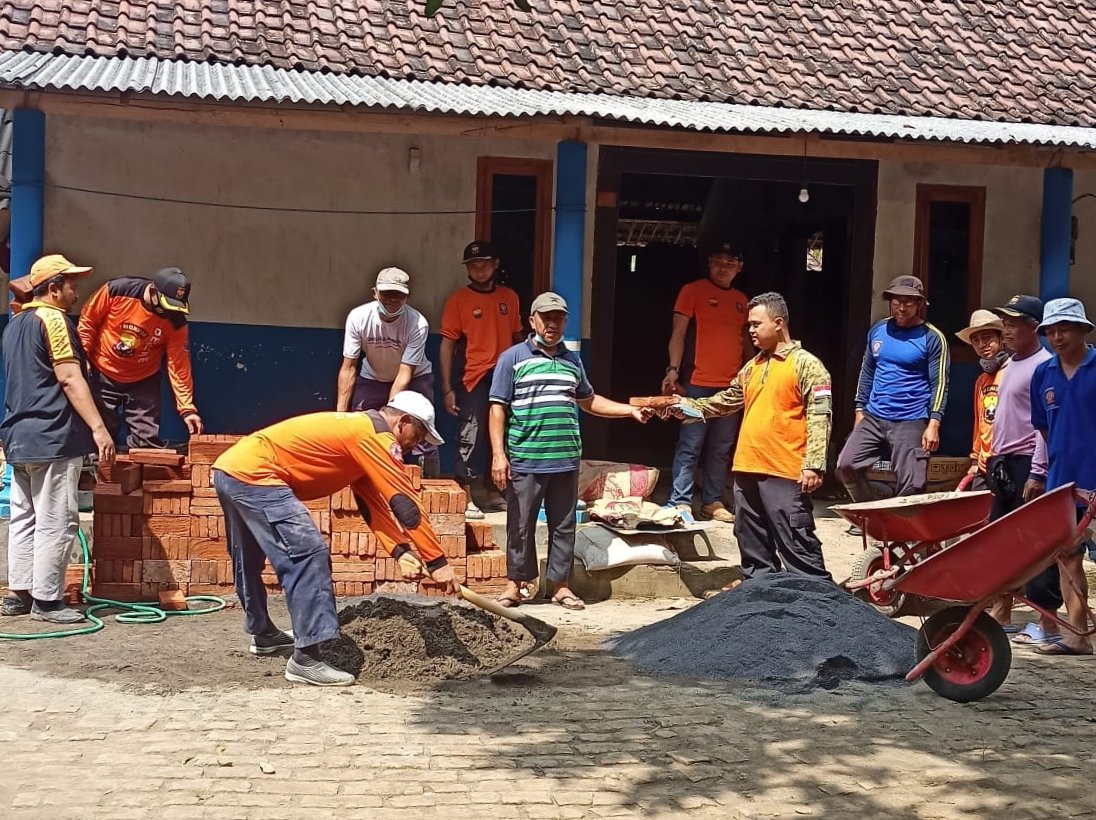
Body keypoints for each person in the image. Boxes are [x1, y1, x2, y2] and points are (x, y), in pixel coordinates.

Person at [213, 391, 459, 686]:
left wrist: (400, 551)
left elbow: (373, 506)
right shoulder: (378, 437)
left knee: (248, 554)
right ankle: (306, 660)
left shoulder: (360, 434)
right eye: (417, 436)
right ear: (403, 422)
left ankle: (263, 634)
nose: (414, 446)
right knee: (309, 553)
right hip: (258, 475)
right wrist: (437, 561)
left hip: (231, 470)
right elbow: (405, 503)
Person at [489, 292, 653, 610]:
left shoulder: (572, 361)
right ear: (532, 320)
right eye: (546, 317)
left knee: (564, 526)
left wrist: (629, 411)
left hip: (565, 460)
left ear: (565, 322)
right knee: (519, 525)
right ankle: (515, 585)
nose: (552, 324)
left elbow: (589, 401)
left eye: (559, 318)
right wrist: (499, 454)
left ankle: (560, 586)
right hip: (526, 459)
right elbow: (497, 408)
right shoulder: (512, 359)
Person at [669, 292, 832, 586]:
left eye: (757, 324)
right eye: (749, 325)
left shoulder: (807, 365)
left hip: (785, 471)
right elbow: (727, 401)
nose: (751, 331)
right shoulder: (752, 366)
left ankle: (818, 598)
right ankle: (760, 596)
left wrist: (814, 464)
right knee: (752, 543)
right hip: (746, 469)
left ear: (778, 323)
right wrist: (686, 407)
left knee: (796, 544)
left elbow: (820, 416)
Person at [0, 254, 116, 623]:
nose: (76, 293)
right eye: (71, 286)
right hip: (52, 436)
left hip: (18, 436)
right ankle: (48, 601)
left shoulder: (14, 325)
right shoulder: (53, 320)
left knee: (24, 517)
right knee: (56, 520)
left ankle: (18, 594)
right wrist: (98, 428)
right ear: (53, 288)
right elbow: (68, 377)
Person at [835, 275, 949, 505]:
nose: (901, 308)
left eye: (908, 302)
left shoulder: (933, 337)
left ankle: (899, 522)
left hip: (911, 418)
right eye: (896, 301)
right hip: (874, 416)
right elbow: (867, 372)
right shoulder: (878, 330)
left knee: (912, 483)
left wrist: (934, 423)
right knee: (845, 466)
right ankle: (873, 511)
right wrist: (860, 410)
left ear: (919, 304)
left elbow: (940, 383)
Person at [661, 241, 751, 523]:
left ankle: (712, 502)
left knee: (721, 448)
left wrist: (752, 376)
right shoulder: (692, 291)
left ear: (739, 267)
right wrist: (673, 369)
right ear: (709, 262)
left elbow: (748, 343)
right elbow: (678, 334)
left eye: (730, 263)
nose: (724, 268)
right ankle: (680, 501)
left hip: (731, 387)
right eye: (718, 262)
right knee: (690, 445)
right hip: (697, 384)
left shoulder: (743, 301)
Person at [985, 295, 1058, 639]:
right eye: (1005, 323)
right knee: (1000, 542)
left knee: (1036, 544)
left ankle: (1047, 622)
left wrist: (1037, 472)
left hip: (1027, 463)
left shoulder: (1044, 366)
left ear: (1034, 328)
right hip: (1003, 463)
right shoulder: (1010, 363)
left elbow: (1044, 427)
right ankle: (1001, 612)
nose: (1006, 330)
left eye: (1013, 324)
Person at [1029, 298, 1096, 656]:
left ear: (1084, 329)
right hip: (1062, 484)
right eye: (1051, 331)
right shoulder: (1044, 374)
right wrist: (1044, 473)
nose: (1056, 337)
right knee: (1068, 558)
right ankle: (1077, 636)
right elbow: (1044, 429)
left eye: (1064, 329)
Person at [438, 241, 523, 520]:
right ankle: (466, 494)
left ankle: (492, 490)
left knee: (505, 434)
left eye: (485, 263)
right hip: (472, 377)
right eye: (473, 265)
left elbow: (517, 338)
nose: (479, 269)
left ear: (495, 264)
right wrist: (447, 388)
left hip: (506, 375)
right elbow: (447, 345)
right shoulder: (458, 300)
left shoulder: (509, 297)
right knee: (471, 435)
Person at [77, 267, 202, 448]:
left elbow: (179, 365)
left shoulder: (176, 322)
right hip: (102, 372)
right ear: (153, 290)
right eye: (166, 304)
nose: (167, 311)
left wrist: (187, 409)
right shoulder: (116, 290)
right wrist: (83, 360)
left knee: (146, 440)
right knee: (100, 436)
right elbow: (87, 323)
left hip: (144, 380)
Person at [336, 267, 437, 473]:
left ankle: (427, 481)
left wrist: (391, 416)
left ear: (407, 296)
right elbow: (349, 367)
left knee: (419, 432)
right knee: (360, 428)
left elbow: (405, 373)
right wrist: (339, 417)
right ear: (375, 293)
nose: (392, 299)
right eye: (386, 293)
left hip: (414, 378)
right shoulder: (358, 317)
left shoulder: (418, 323)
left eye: (398, 294)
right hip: (372, 377)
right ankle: (359, 479)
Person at [956, 310, 1007, 491]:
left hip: (1006, 460)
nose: (981, 344)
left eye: (987, 337)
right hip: (984, 463)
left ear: (1001, 338)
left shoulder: (1012, 373)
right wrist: (975, 458)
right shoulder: (981, 381)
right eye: (975, 340)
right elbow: (980, 423)